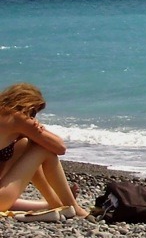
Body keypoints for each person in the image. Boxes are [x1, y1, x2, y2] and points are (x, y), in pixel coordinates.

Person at [0, 83, 88, 218]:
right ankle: (72, 206)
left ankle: (53, 202)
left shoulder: (5, 115)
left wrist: (30, 132)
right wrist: (38, 129)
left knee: (25, 144)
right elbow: (60, 147)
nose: (33, 118)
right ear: (28, 106)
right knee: (43, 149)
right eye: (33, 113)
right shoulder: (17, 118)